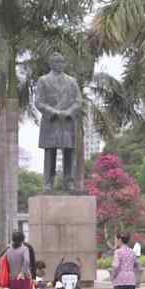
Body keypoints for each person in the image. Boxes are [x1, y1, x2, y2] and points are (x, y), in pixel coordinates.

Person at [35, 52, 81, 192]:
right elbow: (38, 102)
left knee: (69, 153)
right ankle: (48, 183)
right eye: (56, 62)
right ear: (51, 64)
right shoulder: (43, 80)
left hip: (67, 122)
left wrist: (69, 112)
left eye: (61, 62)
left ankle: (69, 182)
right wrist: (53, 112)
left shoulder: (72, 81)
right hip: (51, 122)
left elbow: (78, 101)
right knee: (50, 153)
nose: (59, 65)